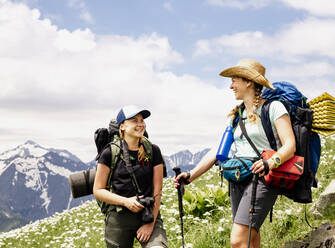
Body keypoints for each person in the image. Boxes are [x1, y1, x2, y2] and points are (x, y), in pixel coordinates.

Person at [174, 59, 296, 248]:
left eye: (234, 80)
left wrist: (270, 163)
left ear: (248, 81)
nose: (230, 86)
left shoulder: (273, 108)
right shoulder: (236, 115)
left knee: (238, 240)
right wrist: (191, 176)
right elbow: (218, 151)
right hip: (238, 178)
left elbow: (290, 145)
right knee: (251, 238)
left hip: (263, 176)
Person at [93, 105, 168, 248]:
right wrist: (125, 202)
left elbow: (157, 191)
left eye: (142, 120)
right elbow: (98, 190)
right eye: (134, 120)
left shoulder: (153, 150)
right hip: (118, 218)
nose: (140, 124)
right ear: (122, 126)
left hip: (148, 214)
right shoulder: (110, 152)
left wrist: (150, 224)